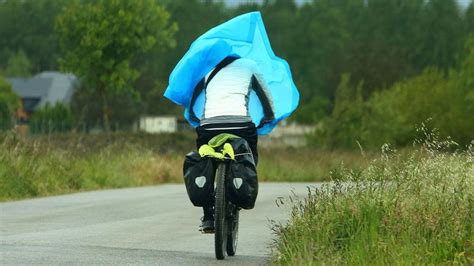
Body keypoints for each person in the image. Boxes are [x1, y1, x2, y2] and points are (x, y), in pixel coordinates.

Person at [189, 56, 275, 232]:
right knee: (249, 155)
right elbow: (264, 95)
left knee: (206, 159)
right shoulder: (250, 65)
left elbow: (193, 99)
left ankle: (208, 216)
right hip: (241, 125)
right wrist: (269, 115)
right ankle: (241, 187)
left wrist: (192, 115)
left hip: (209, 127)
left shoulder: (208, 69)